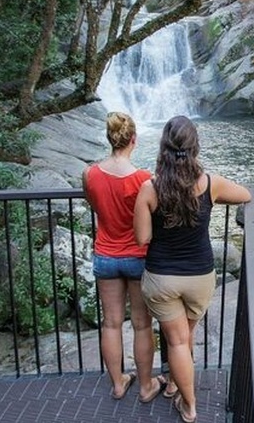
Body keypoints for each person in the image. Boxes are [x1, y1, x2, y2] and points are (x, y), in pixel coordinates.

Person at [134, 115, 251, 423]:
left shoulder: (149, 189)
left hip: (162, 278)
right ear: (195, 147)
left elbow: (142, 238)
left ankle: (189, 405)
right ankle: (176, 386)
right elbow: (246, 195)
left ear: (163, 148)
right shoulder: (210, 183)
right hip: (200, 277)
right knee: (184, 337)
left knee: (176, 341)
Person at [82, 112, 166, 403]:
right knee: (142, 324)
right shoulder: (144, 180)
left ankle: (118, 384)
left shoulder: (90, 174)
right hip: (138, 257)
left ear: (110, 138)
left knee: (111, 323)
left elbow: (94, 204)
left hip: (105, 255)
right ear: (134, 140)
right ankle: (146, 387)